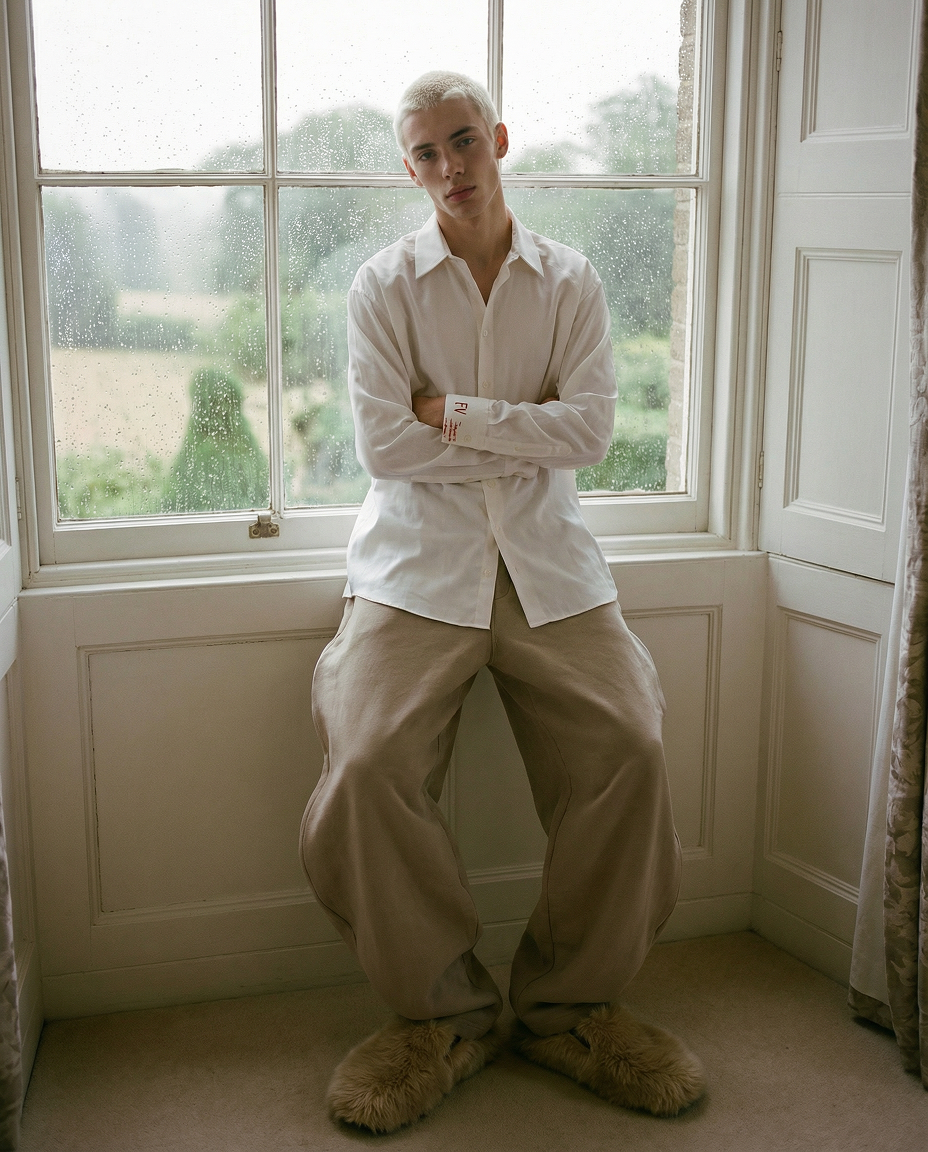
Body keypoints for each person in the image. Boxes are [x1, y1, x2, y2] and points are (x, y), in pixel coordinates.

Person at [299, 70, 705, 1134]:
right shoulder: (383, 287)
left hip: (549, 565)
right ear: (410, 169)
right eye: (427, 153)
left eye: (464, 141)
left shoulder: (569, 281)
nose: (451, 168)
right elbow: (384, 447)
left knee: (632, 748)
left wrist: (453, 413)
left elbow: (590, 433)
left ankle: (571, 1010)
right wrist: (519, 426)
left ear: (501, 139)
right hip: (413, 571)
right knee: (368, 766)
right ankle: (442, 1017)